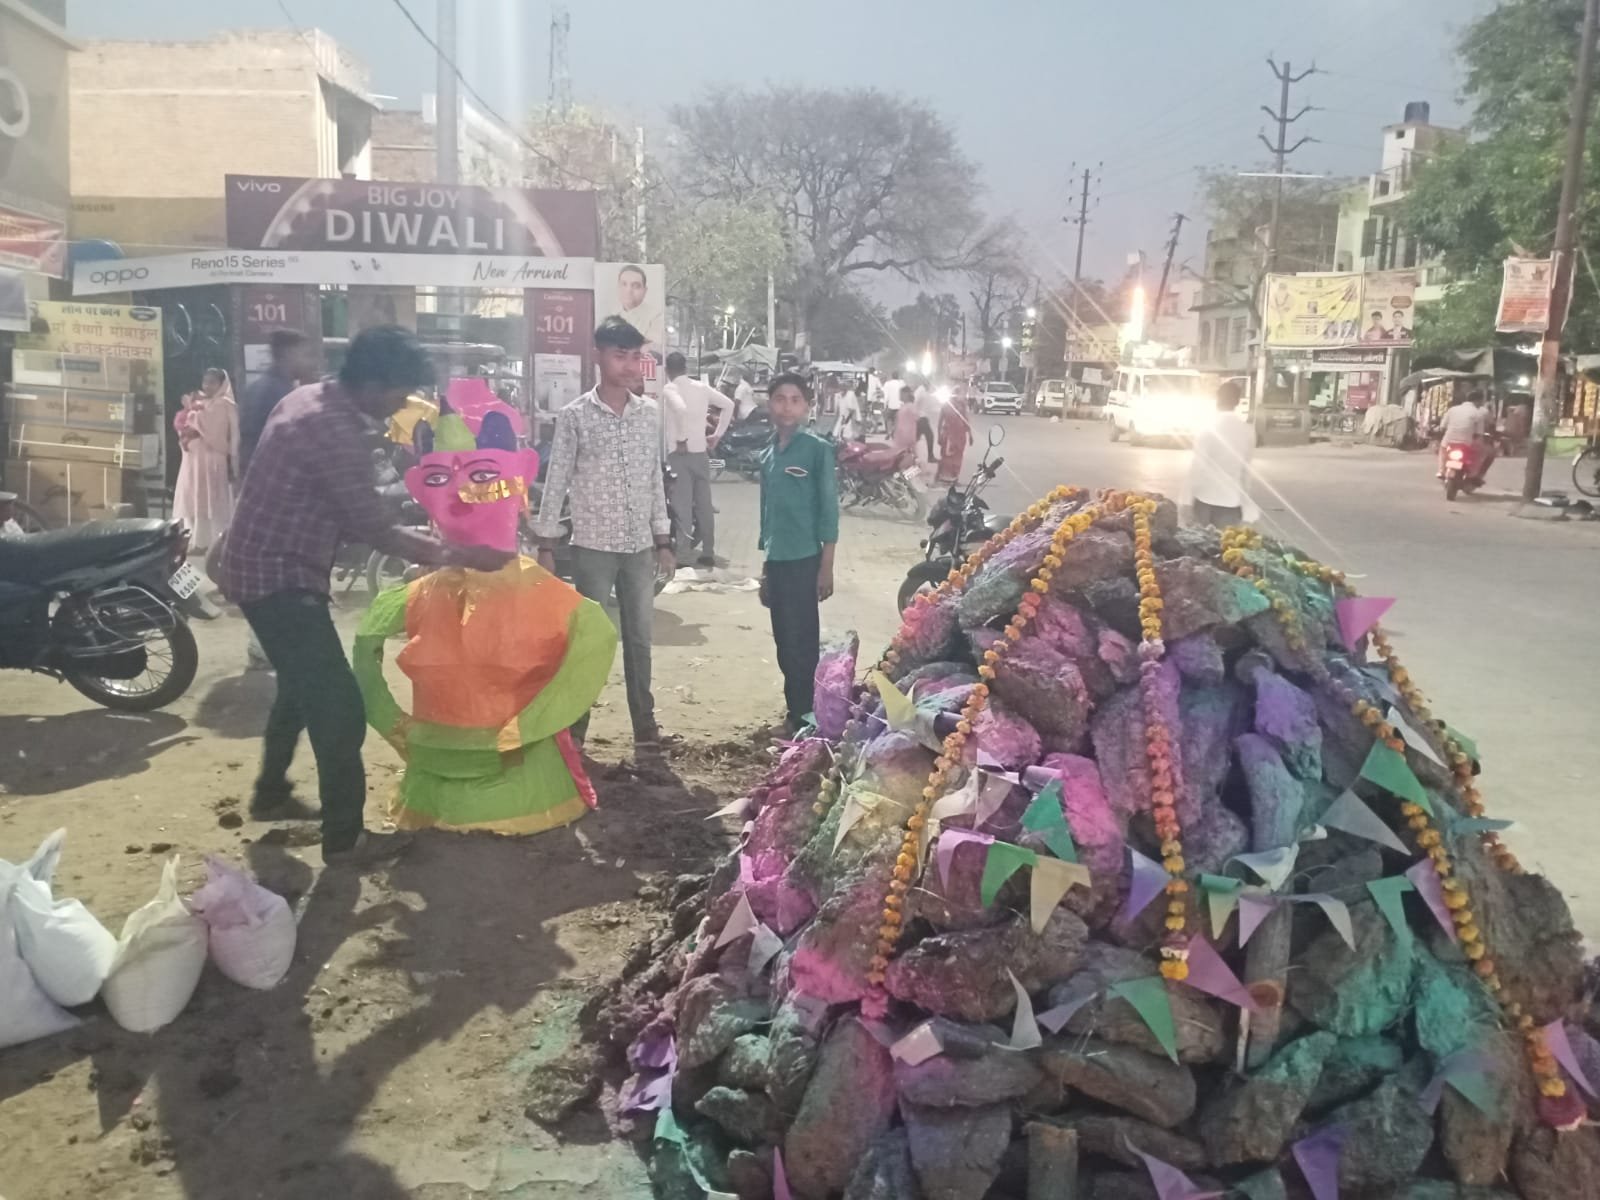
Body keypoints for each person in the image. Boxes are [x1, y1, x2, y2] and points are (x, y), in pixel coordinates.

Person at [216, 326, 512, 866]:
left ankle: (271, 792)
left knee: (301, 685)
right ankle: (344, 839)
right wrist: (467, 553)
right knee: (340, 709)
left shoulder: (310, 396)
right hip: (278, 578)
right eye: (400, 393)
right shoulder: (333, 430)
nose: (401, 404)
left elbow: (349, 503)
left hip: (259, 563)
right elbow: (374, 529)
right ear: (376, 384)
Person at [535, 317, 675, 752]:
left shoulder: (649, 416)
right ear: (598, 356)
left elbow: (653, 479)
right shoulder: (575, 416)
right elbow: (556, 479)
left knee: (639, 640)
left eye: (635, 356)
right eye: (621, 355)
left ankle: (645, 728)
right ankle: (575, 732)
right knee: (589, 642)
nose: (630, 364)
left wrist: (664, 539)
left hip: (638, 548)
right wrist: (546, 543)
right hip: (592, 547)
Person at [758, 373, 839, 733]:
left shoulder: (817, 450)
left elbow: (829, 511)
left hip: (805, 561)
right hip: (777, 562)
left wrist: (827, 567)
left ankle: (807, 718)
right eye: (779, 398)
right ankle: (796, 711)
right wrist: (765, 567)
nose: (786, 406)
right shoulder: (768, 453)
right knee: (783, 642)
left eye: (794, 399)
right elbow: (767, 513)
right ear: (769, 404)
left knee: (803, 643)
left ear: (807, 407)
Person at [662, 351, 734, 568]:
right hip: (701, 453)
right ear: (685, 368)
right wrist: (716, 435)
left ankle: (683, 554)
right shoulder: (701, 388)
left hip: (680, 455)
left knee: (682, 506)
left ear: (667, 371)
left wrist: (681, 438)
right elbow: (729, 405)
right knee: (704, 504)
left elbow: (681, 409)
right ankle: (708, 552)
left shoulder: (670, 388)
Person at [172, 367, 239, 552]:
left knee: (210, 500)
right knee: (193, 498)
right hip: (193, 460)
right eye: (205, 382)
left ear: (221, 384)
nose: (207, 386)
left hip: (212, 460)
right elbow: (185, 424)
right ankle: (195, 540)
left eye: (212, 382)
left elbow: (213, 429)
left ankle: (212, 543)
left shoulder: (225, 404)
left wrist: (192, 413)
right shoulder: (202, 403)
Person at [238, 329, 316, 475]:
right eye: (305, 355)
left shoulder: (256, 388)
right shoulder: (281, 395)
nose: (310, 363)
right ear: (289, 354)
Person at [1185, 379, 1257, 528]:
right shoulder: (1247, 431)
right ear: (1237, 402)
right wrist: (1248, 507)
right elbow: (1246, 472)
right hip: (1231, 502)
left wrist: (1185, 500)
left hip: (1204, 499)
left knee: (1199, 545)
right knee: (1225, 546)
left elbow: (1197, 467)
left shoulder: (1207, 428)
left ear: (1217, 399)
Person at [1437, 389, 1491, 478]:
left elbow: (1442, 427)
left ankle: (1441, 471)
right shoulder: (1478, 413)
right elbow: (1479, 433)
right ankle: (1472, 474)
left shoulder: (1452, 410)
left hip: (1449, 441)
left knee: (1442, 451)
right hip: (1466, 443)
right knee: (1480, 453)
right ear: (1478, 401)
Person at [936, 384, 975, 485]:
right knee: (947, 456)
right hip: (948, 435)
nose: (959, 396)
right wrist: (939, 435)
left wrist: (970, 435)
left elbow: (966, 420)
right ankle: (944, 477)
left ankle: (954, 477)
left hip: (960, 436)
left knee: (958, 457)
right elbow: (940, 422)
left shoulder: (962, 406)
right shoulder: (946, 406)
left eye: (960, 394)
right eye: (957, 394)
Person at [913, 377, 941, 462]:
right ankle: (930, 457)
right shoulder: (920, 391)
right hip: (920, 418)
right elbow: (914, 402)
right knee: (929, 436)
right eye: (929, 383)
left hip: (921, 417)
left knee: (916, 438)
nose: (930, 385)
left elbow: (928, 404)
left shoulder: (924, 391)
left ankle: (910, 455)